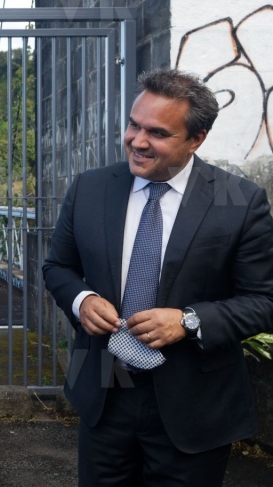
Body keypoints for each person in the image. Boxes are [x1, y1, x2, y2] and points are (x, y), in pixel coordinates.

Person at [43, 68, 273, 486]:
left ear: (196, 139)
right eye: (134, 124)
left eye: (158, 133)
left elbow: (264, 300)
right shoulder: (90, 188)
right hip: (104, 393)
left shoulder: (240, 201)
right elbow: (58, 267)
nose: (138, 141)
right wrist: (82, 300)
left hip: (195, 406)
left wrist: (189, 321)